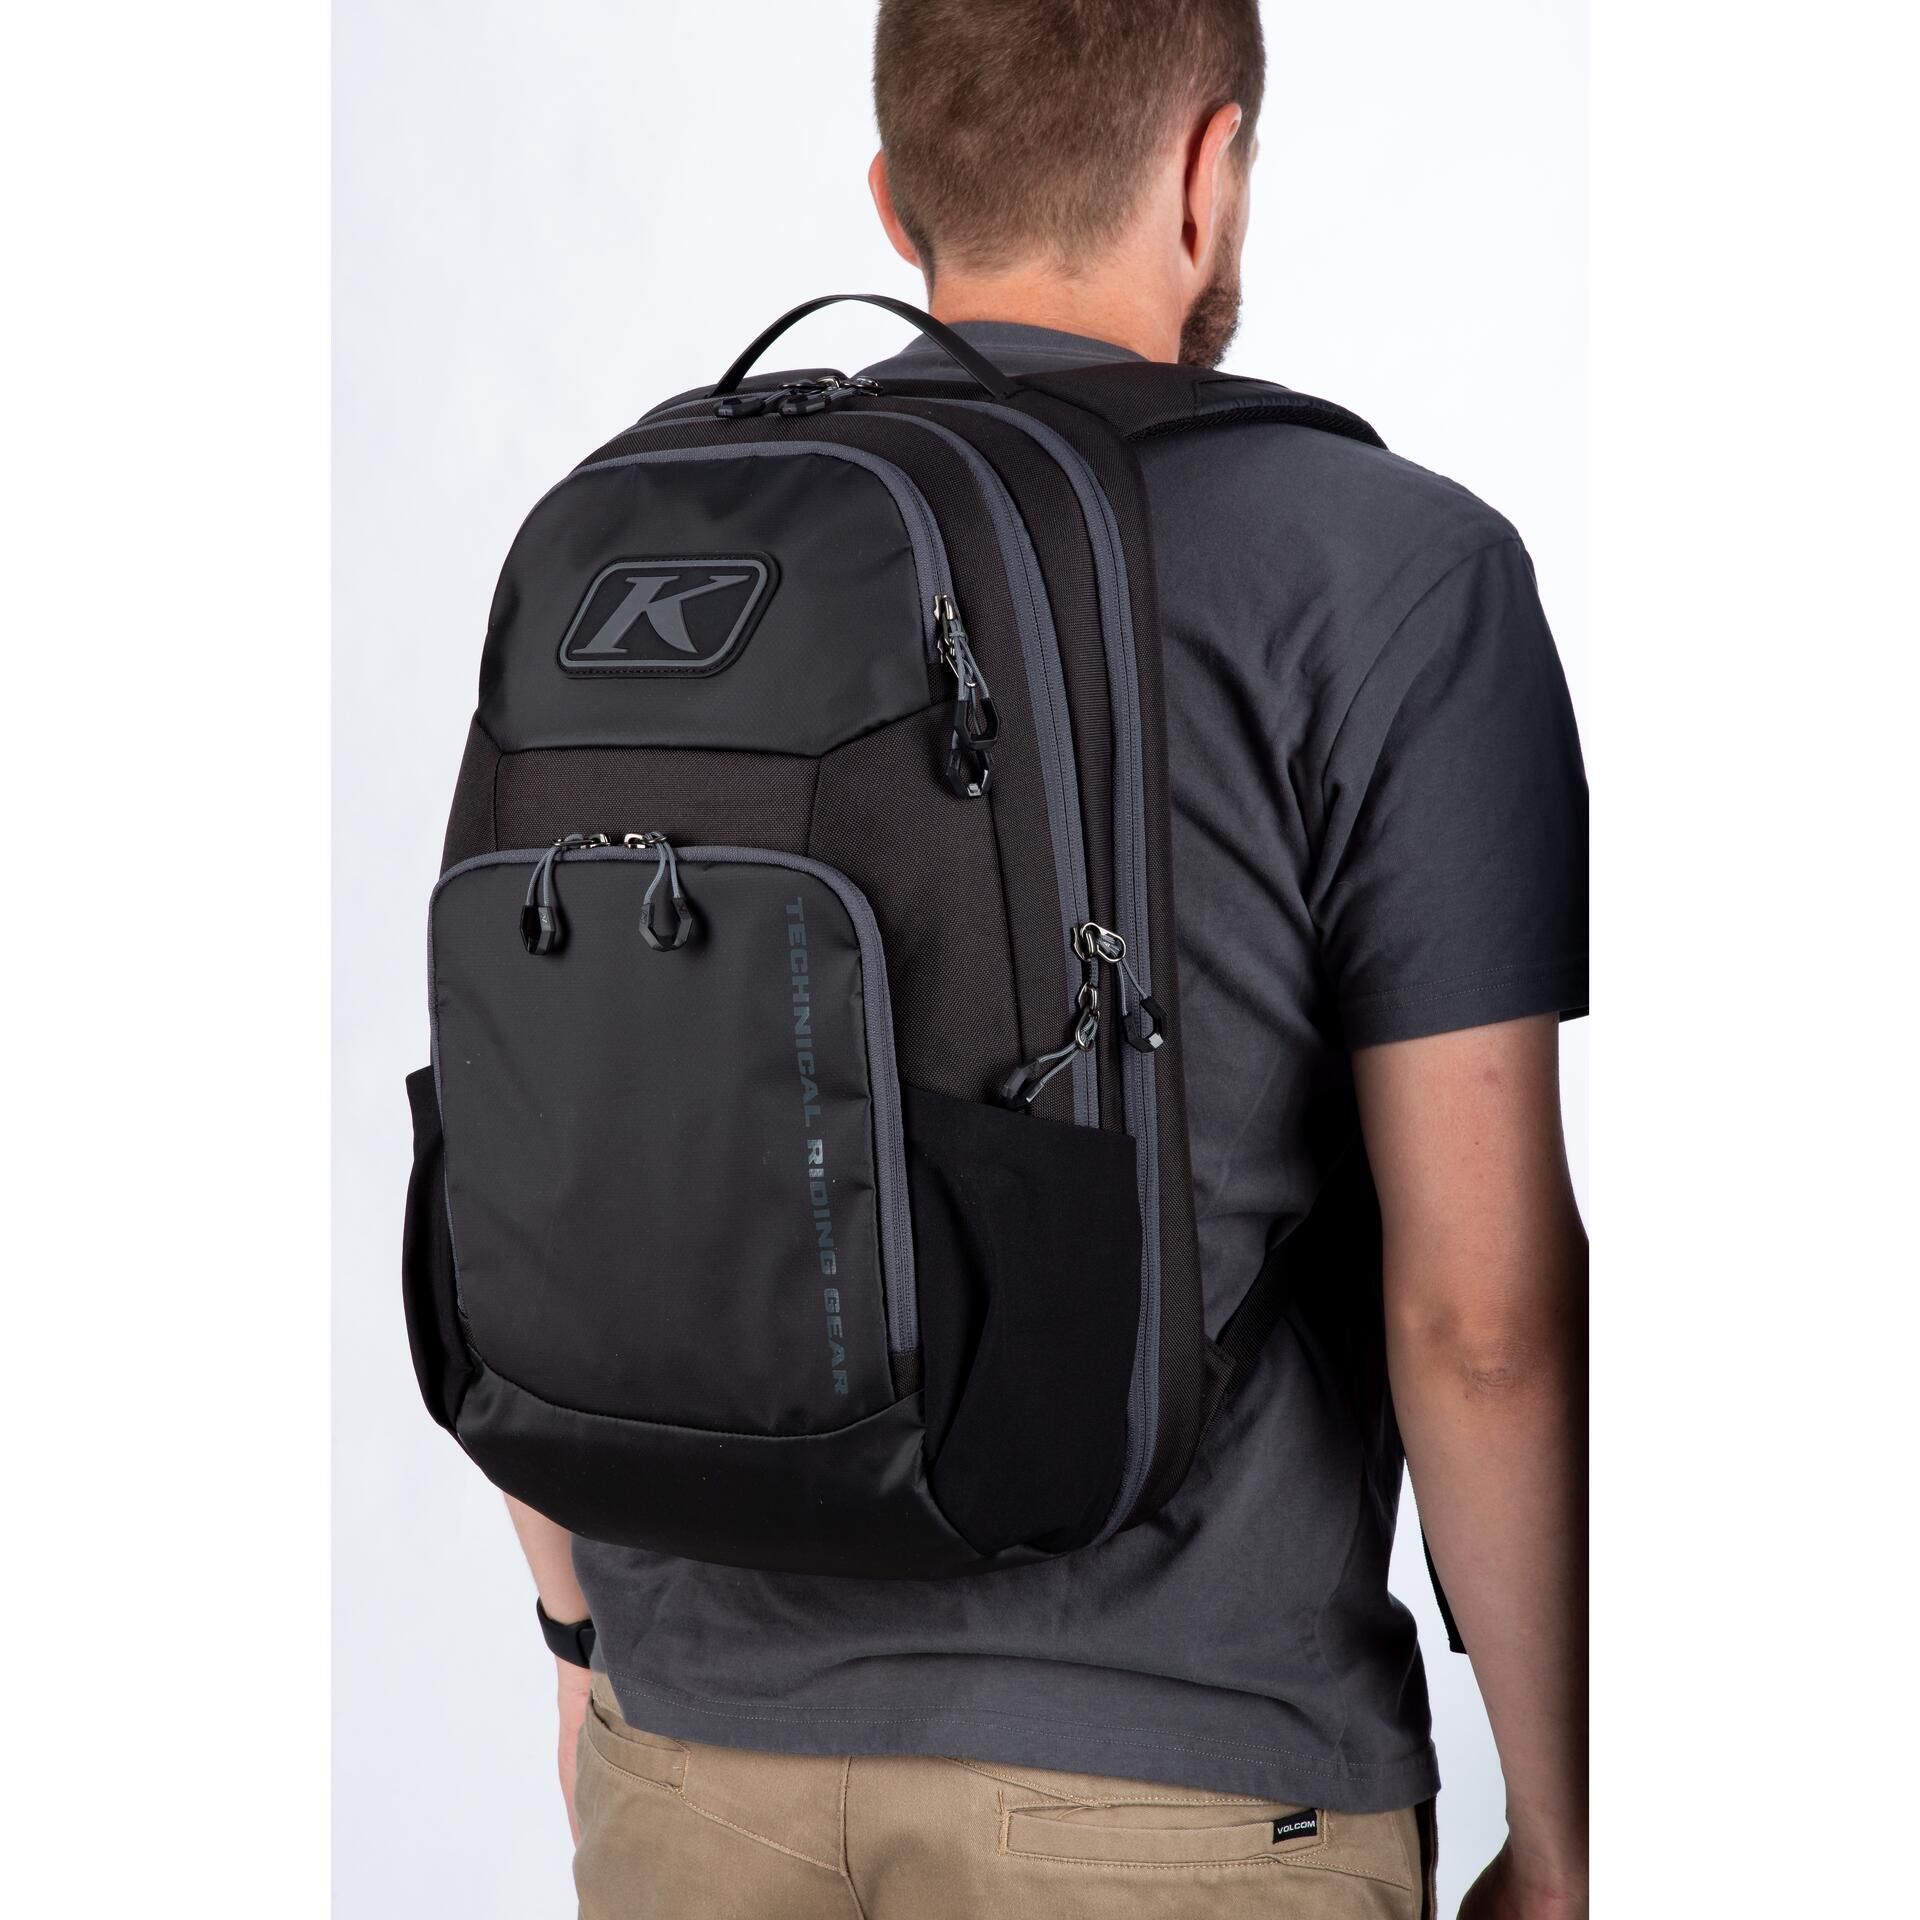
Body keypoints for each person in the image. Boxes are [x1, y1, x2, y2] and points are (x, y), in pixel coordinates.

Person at [509, 4, 1588, 1914]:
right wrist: (1570, 1828)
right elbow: (1480, 1323)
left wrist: (587, 1643)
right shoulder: (1394, 570)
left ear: (893, 200)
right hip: (1180, 1788)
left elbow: (545, 1149)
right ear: (1207, 169)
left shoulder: (638, 543)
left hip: (693, 1774)